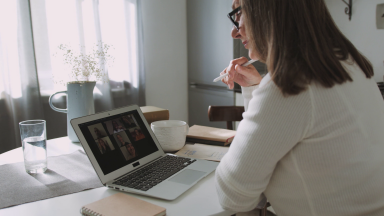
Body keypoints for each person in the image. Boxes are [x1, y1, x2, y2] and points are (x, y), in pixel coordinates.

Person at [215, 0, 384, 216]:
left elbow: (232, 196)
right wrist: (256, 88)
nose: (234, 31)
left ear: (267, 9)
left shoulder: (291, 86)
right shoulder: (349, 64)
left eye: (238, 13)